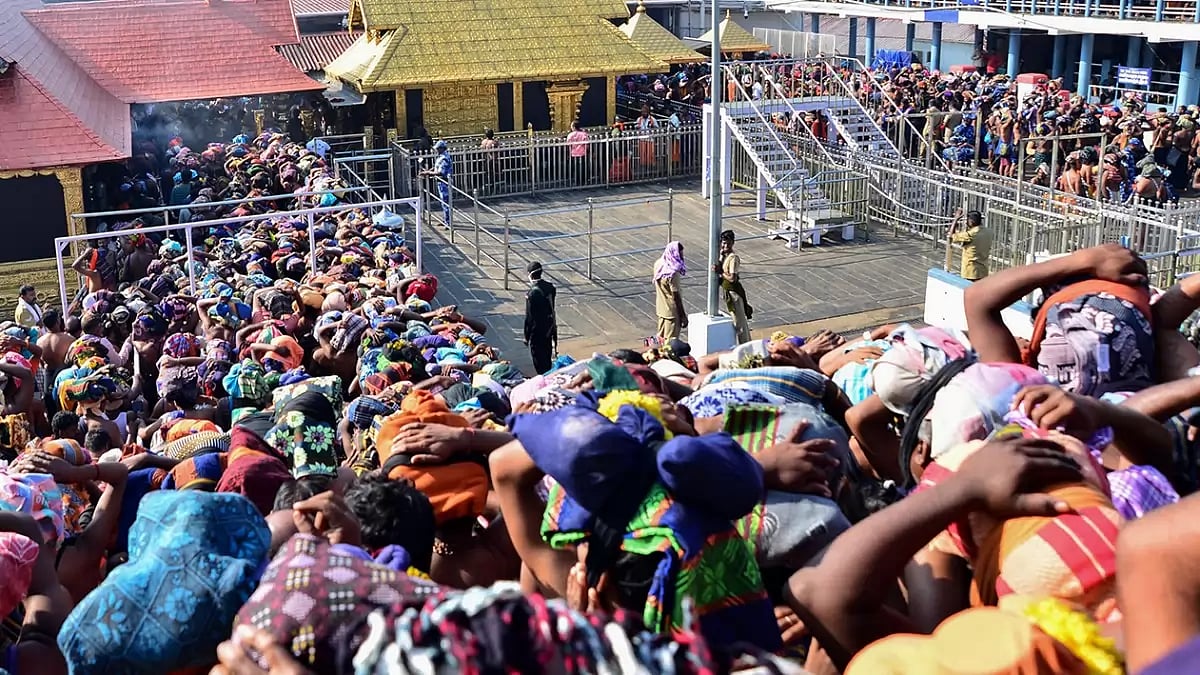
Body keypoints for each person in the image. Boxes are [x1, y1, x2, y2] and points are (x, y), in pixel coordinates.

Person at [716, 230, 752, 343]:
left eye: (728, 243)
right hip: (728, 293)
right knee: (736, 320)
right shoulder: (724, 256)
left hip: (734, 293)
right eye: (723, 242)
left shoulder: (733, 258)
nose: (725, 245)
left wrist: (720, 272)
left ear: (732, 243)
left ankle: (745, 344)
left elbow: (732, 278)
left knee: (739, 323)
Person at [523, 261, 557, 374]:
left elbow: (529, 318)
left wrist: (526, 336)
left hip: (536, 332)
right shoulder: (550, 288)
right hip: (548, 328)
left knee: (538, 359)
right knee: (547, 355)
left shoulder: (531, 294)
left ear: (530, 275)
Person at [653, 241, 687, 342]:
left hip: (661, 309)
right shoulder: (673, 273)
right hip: (672, 313)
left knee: (660, 339)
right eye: (679, 254)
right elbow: (676, 296)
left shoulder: (658, 264)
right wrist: (683, 316)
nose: (681, 256)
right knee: (670, 342)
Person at [948, 209, 993, 281]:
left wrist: (955, 219)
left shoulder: (971, 234)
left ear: (972, 221)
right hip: (983, 270)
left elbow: (950, 236)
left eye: (967, 221)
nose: (966, 223)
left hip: (970, 272)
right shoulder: (989, 232)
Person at [420, 140, 453, 226]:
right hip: (440, 182)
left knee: (445, 202)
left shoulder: (445, 158)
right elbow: (436, 167)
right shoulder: (441, 157)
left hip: (444, 182)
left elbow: (441, 172)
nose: (436, 150)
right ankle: (446, 219)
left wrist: (428, 173)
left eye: (438, 149)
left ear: (442, 148)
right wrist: (429, 170)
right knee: (443, 202)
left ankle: (448, 222)